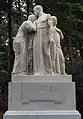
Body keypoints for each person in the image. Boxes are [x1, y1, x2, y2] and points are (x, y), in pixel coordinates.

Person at [33, 5, 54, 75]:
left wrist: (51, 37)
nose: (34, 12)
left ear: (38, 10)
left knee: (46, 52)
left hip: (45, 34)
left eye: (34, 11)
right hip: (37, 36)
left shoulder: (47, 16)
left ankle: (49, 71)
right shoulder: (36, 20)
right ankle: (39, 71)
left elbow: (51, 27)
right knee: (38, 53)